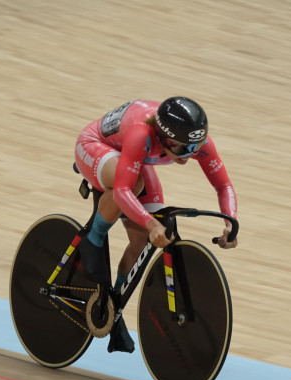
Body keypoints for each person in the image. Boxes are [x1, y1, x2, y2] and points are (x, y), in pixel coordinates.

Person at [74, 97, 238, 353]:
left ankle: (112, 308)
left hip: (136, 157)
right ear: (165, 138)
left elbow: (223, 185)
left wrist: (231, 220)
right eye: (183, 149)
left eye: (194, 147)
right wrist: (151, 224)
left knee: (141, 242)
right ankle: (93, 239)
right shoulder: (142, 133)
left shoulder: (194, 141)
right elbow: (122, 191)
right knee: (134, 187)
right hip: (95, 145)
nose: (189, 155)